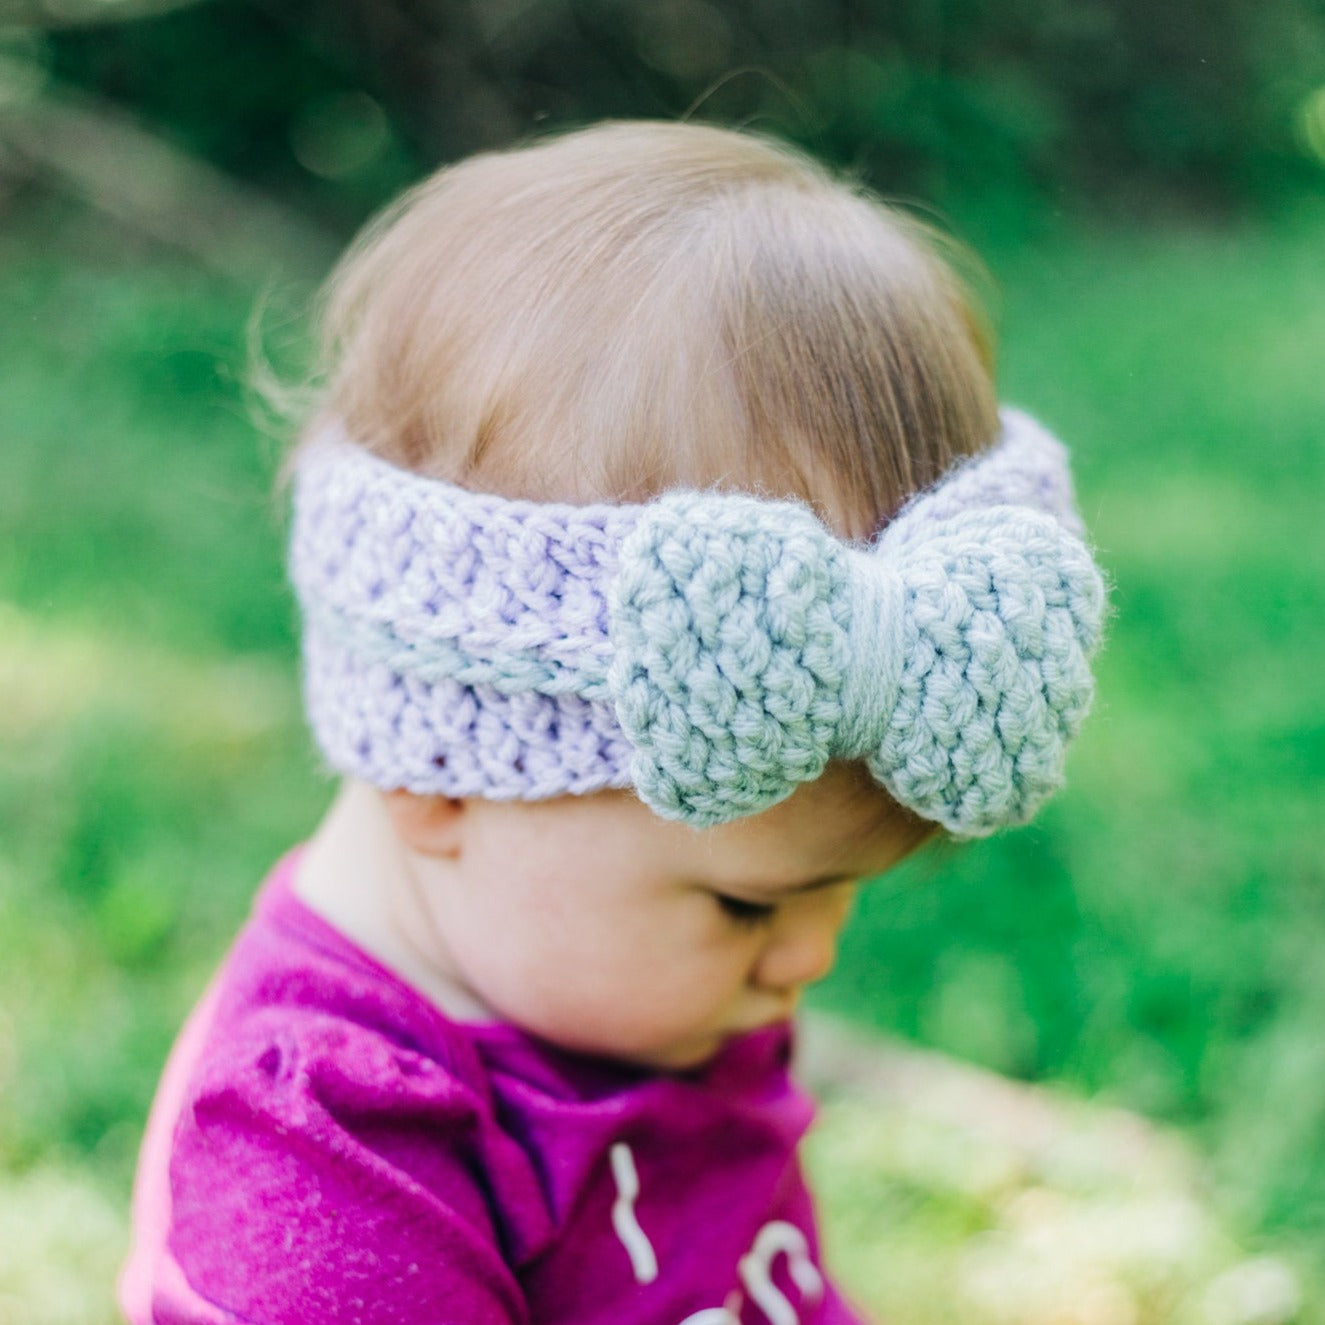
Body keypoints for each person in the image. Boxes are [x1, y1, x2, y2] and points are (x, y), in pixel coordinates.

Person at [119, 120, 1106, 1325]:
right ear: (435, 772)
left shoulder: (615, 976)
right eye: (750, 903)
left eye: (835, 890)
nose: (811, 955)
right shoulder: (319, 1174)